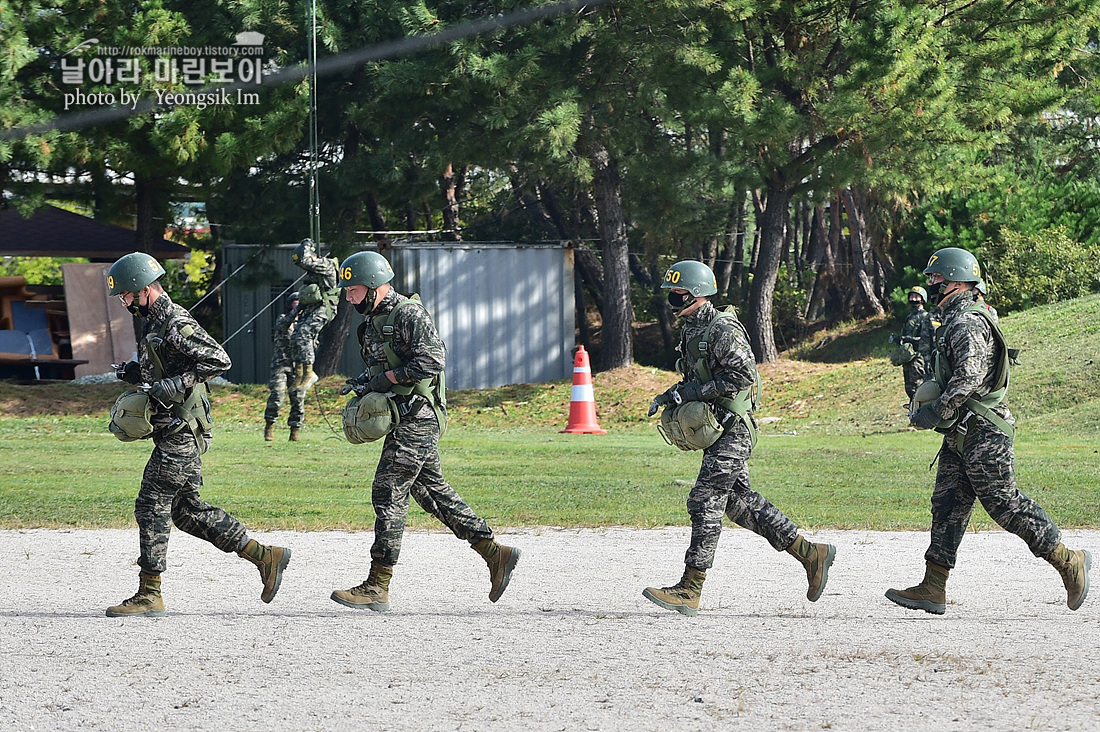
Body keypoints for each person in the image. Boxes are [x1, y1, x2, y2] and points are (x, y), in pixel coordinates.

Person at [888, 247, 1090, 614]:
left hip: (984, 430)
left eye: (936, 279)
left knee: (1004, 504)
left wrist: (935, 411)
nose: (931, 285)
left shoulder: (967, 322)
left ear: (955, 281)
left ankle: (1069, 561)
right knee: (948, 505)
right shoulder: (955, 318)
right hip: (963, 430)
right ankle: (933, 587)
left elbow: (969, 375)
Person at [642, 260, 836, 616]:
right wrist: (671, 395)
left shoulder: (722, 330)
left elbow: (742, 377)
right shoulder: (692, 331)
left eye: (677, 294)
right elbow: (695, 379)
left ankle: (690, 588)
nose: (672, 301)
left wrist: (693, 394)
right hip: (719, 428)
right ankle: (811, 554)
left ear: (696, 294)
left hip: (734, 428)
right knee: (739, 503)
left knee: (705, 499)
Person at [330, 250, 520, 611]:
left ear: (372, 286)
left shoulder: (408, 314)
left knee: (388, 490)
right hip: (401, 417)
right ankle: (496, 553)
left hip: (418, 416)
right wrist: (363, 384)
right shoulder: (371, 321)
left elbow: (432, 360)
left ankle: (377, 585)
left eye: (352, 289)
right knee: (432, 494)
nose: (348, 296)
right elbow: (384, 366)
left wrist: (387, 380)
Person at [105, 252, 291, 617]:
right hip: (174, 429)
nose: (124, 302)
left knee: (151, 501)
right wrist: (137, 373)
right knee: (187, 511)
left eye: (126, 295)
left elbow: (219, 360)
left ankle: (149, 592)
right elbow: (170, 366)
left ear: (143, 290)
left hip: (182, 430)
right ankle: (265, 556)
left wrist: (177, 382)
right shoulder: (154, 324)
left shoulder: (175, 321)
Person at [289, 238, 339, 395]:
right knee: (296, 335)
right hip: (314, 307)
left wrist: (306, 245)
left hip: (325, 308)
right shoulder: (314, 272)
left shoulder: (326, 265)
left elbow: (305, 260)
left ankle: (310, 373)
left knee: (304, 333)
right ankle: (300, 374)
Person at [264, 292, 304, 441]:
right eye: (295, 302)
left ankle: (295, 431)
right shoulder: (283, 318)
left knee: (298, 399)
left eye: (299, 302)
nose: (298, 305)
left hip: (297, 366)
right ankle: (269, 427)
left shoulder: (305, 324)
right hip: (281, 364)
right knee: (277, 395)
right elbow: (283, 325)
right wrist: (297, 311)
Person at [892, 286, 935, 400]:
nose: (913, 299)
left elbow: (926, 339)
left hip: (918, 357)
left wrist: (909, 339)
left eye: (916, 297)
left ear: (922, 299)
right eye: (911, 296)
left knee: (918, 386)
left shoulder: (925, 317)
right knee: (909, 388)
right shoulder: (909, 317)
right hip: (908, 358)